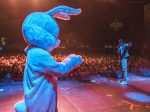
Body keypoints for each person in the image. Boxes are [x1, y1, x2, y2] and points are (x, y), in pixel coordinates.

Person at [14, 5, 82, 112]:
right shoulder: (40, 54)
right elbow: (60, 70)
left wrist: (46, 16)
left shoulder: (32, 51)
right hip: (41, 104)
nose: (56, 41)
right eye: (54, 36)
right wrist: (72, 60)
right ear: (44, 36)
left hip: (34, 100)